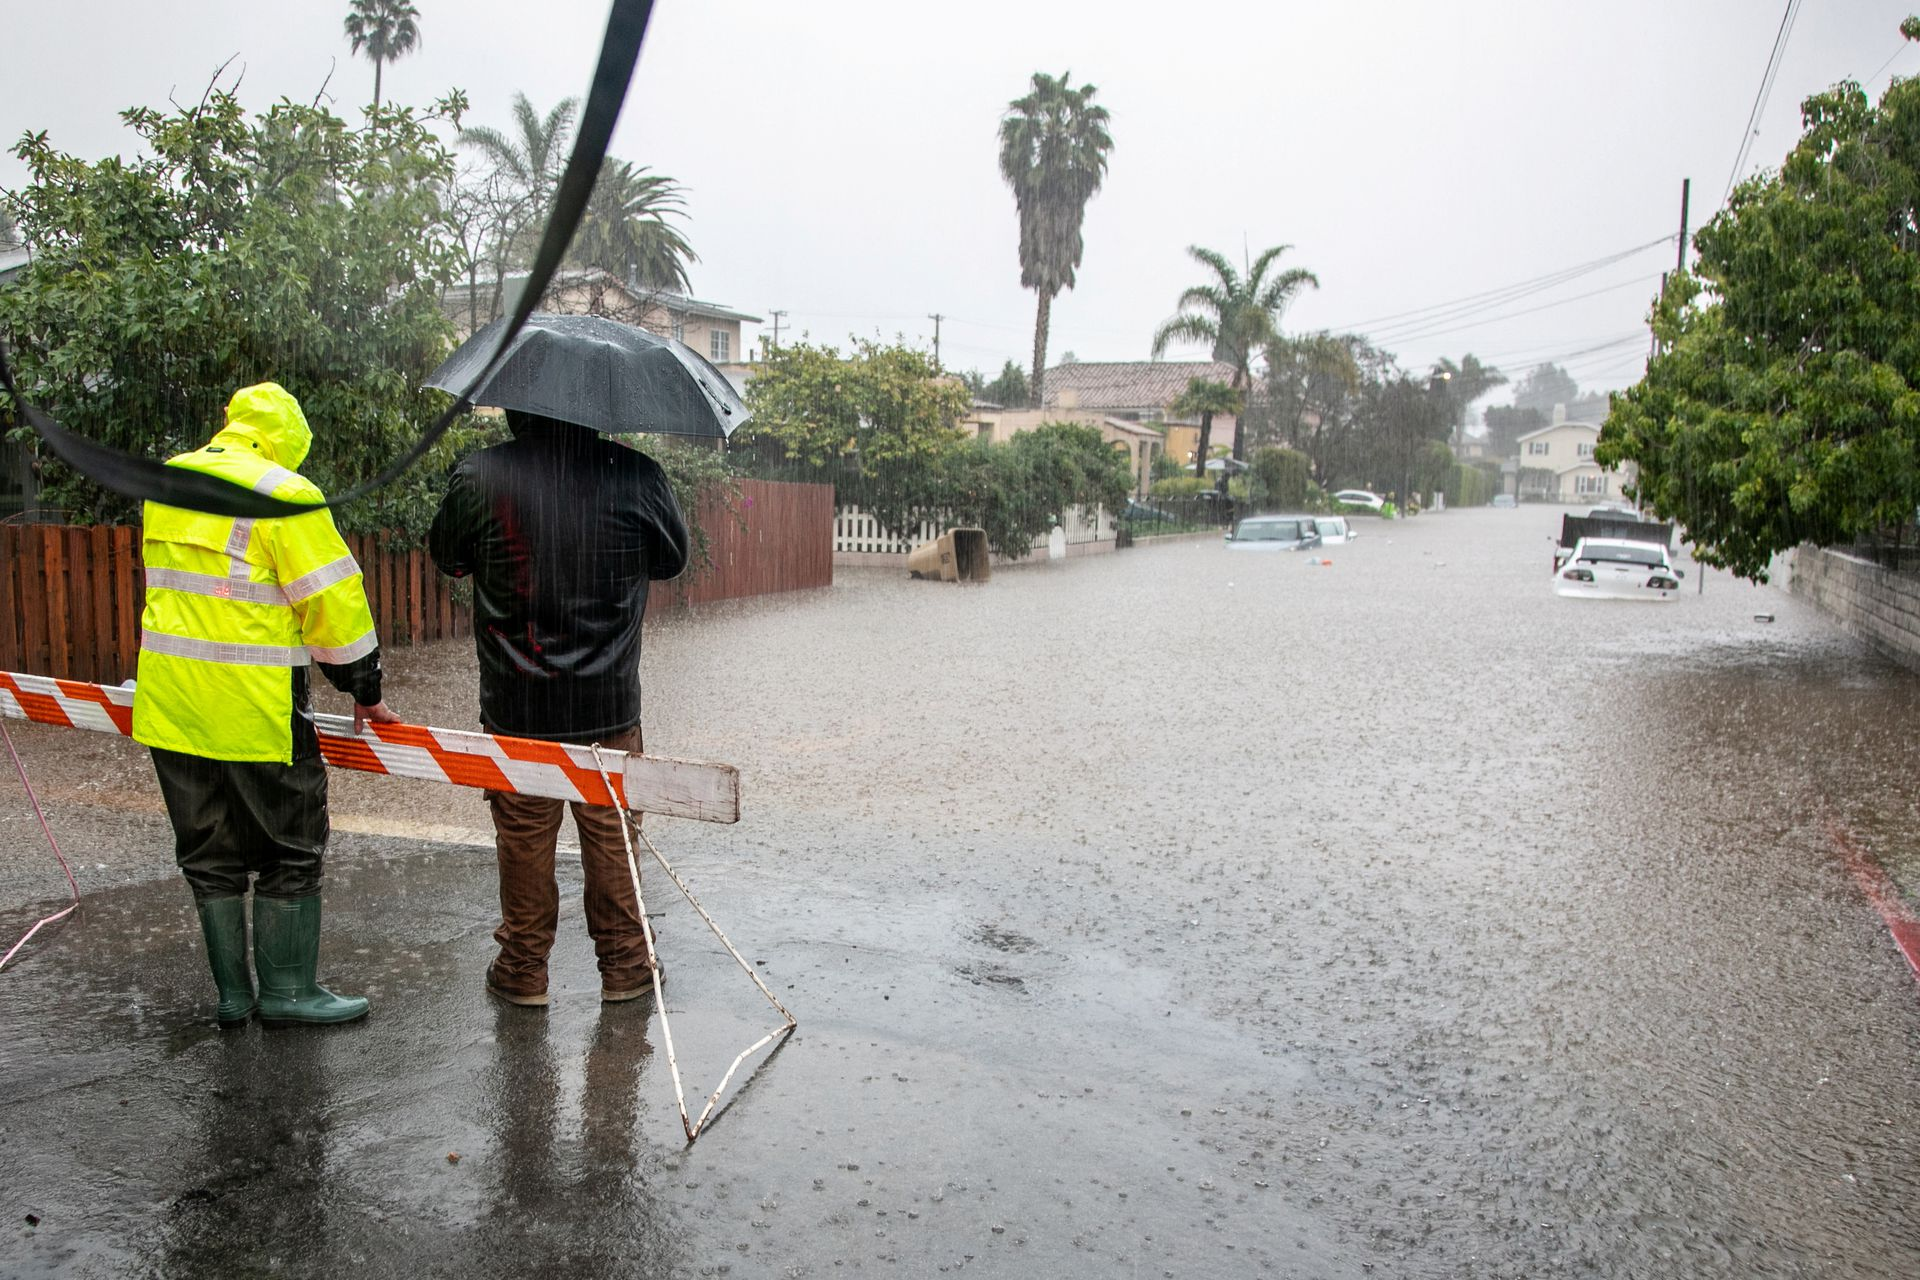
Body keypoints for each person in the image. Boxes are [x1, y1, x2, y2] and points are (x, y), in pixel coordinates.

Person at [133, 382, 399, 1029]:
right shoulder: (285, 494)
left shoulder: (168, 482)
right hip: (256, 711)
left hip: (171, 708)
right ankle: (287, 994)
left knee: (208, 853)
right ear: (286, 443)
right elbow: (332, 600)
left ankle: (233, 997)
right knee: (291, 848)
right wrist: (366, 688)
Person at [428, 409, 689, 1007]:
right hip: (609, 702)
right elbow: (672, 560)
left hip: (517, 703)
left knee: (522, 835)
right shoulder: (638, 475)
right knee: (612, 834)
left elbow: (449, 556)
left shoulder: (481, 475)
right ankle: (626, 965)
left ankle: (523, 971)